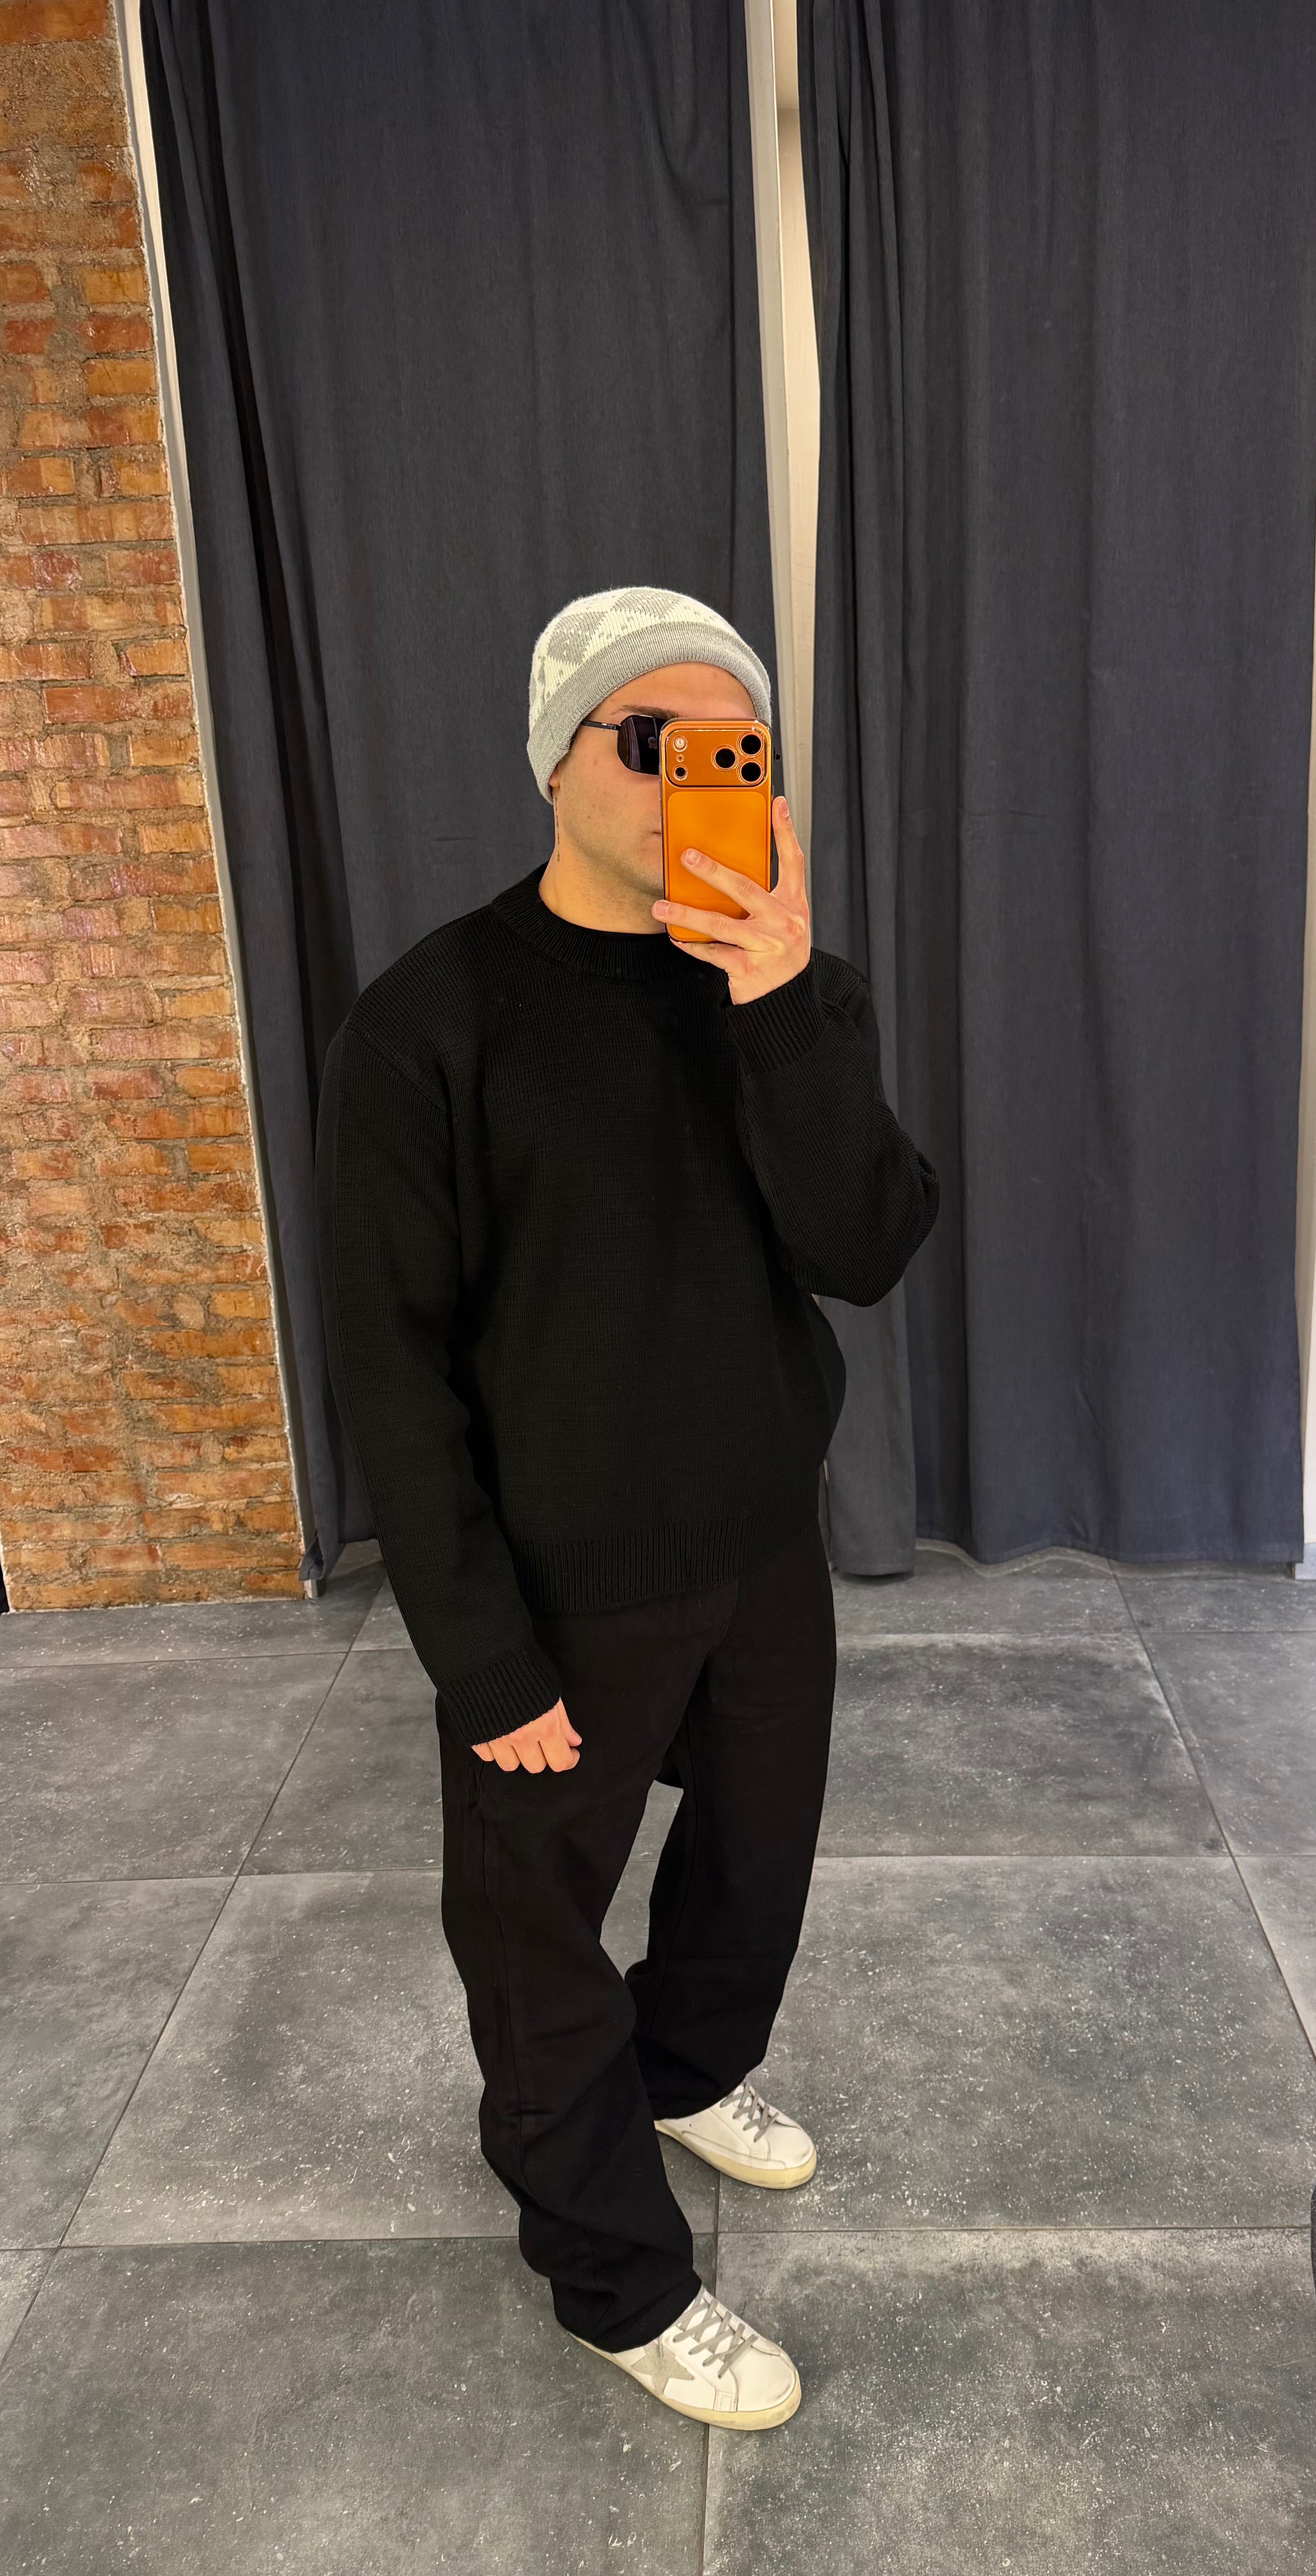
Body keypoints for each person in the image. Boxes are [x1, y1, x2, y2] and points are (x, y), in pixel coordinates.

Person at [314, 584, 939, 2431]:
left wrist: (779, 1010)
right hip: (556, 1579)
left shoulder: (787, 990)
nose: (690, 778)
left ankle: (687, 2073)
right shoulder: (429, 1023)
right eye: (649, 740)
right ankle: (615, 2279)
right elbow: (392, 1370)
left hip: (759, 1542)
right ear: (555, 762)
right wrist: (481, 1656)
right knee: (535, 1934)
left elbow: (869, 1244)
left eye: (728, 747)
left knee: (755, 1867)